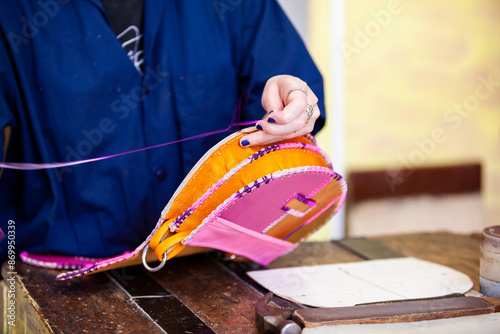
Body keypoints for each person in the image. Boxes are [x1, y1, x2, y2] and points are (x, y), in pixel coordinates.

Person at [0, 0, 325, 262]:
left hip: (212, 262)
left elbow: (287, 92)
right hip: (60, 276)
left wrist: (295, 106)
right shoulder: (14, 13)